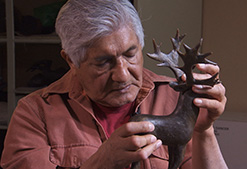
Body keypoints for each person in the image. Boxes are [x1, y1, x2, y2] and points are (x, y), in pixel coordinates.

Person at [1, 0, 228, 168]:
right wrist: (102, 161)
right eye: (103, 62)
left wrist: (203, 130)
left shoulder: (173, 97)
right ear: (71, 60)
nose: (122, 75)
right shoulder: (34, 114)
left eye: (130, 55)